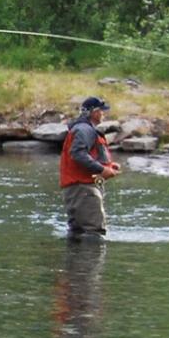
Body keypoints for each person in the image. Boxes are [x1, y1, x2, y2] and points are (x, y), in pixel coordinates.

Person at [59, 96, 121, 238]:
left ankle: (75, 253)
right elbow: (78, 154)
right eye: (102, 111)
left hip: (79, 188)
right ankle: (91, 254)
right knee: (94, 232)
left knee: (78, 232)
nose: (104, 114)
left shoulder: (83, 129)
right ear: (94, 112)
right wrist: (102, 169)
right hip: (83, 188)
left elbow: (86, 155)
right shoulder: (84, 129)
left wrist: (109, 165)